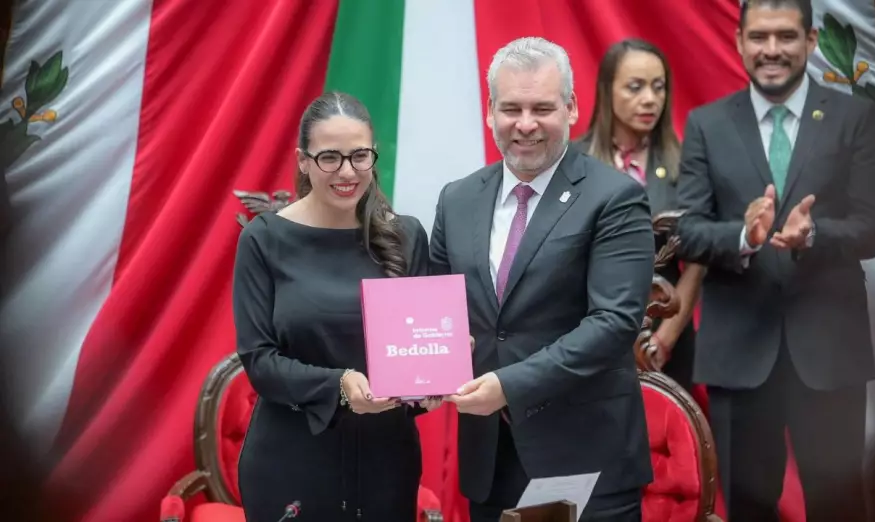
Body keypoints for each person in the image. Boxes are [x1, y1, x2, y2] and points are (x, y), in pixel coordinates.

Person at [673, 0, 875, 520]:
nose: (772, 50)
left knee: (839, 503)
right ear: (740, 42)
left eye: (787, 37)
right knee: (748, 506)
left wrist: (814, 234)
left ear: (811, 42)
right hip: (739, 353)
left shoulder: (853, 117)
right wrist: (744, 237)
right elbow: (689, 232)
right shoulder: (706, 124)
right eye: (760, 37)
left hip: (829, 350)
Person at [430, 37, 655, 522]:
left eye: (542, 108)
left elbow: (614, 323)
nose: (526, 124)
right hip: (490, 461)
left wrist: (507, 385)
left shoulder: (614, 197)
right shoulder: (457, 199)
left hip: (585, 460)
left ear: (572, 107)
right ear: (490, 111)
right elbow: (434, 311)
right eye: (511, 108)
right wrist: (420, 369)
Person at [232, 91, 440, 521]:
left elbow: (418, 354)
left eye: (359, 156)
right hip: (291, 461)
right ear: (303, 161)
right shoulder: (265, 239)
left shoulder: (407, 236)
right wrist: (339, 385)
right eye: (329, 157)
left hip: (387, 462)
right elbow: (259, 361)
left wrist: (436, 377)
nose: (347, 172)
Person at [577, 38, 704, 391]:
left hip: (667, 340)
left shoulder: (687, 165)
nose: (650, 98)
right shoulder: (574, 164)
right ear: (607, 90)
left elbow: (696, 263)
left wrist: (663, 339)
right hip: (589, 342)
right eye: (635, 87)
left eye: (658, 87)